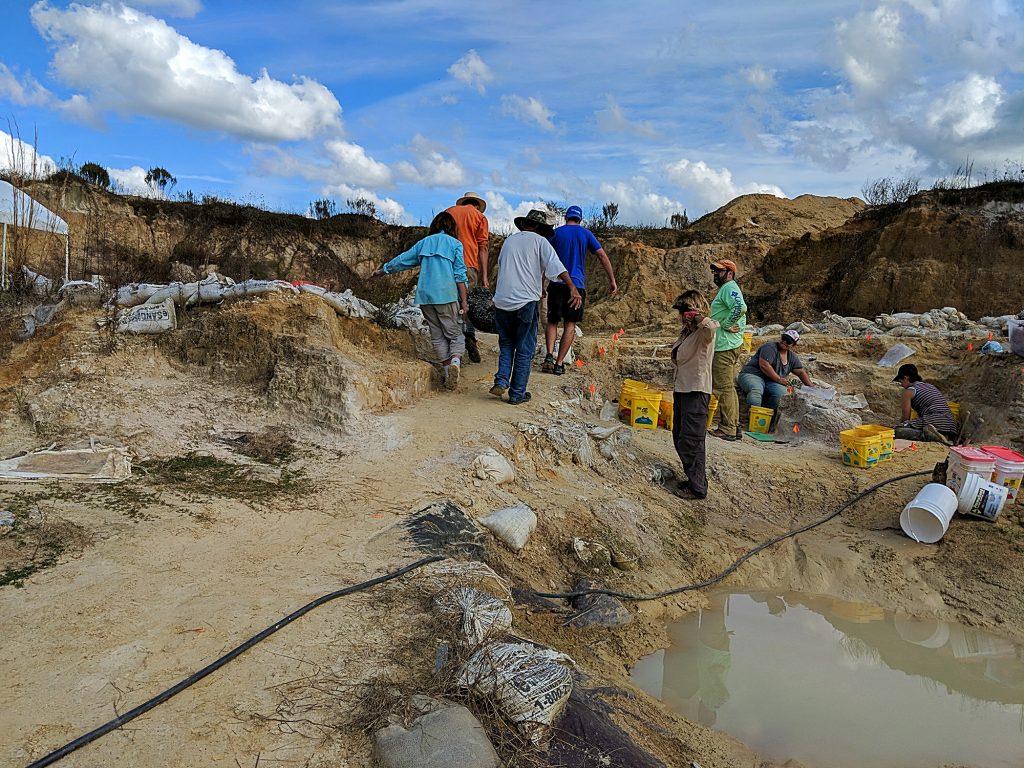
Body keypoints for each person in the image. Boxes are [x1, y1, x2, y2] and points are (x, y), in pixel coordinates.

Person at [490, 209, 581, 405]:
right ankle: (517, 393)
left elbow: (504, 268)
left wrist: (540, 287)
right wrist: (572, 288)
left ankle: (501, 380)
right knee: (524, 348)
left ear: (525, 225)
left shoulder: (509, 242)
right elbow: (557, 268)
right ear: (540, 228)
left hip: (502, 301)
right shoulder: (541, 242)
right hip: (525, 302)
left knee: (506, 343)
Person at [371, 211, 468, 390]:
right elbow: (460, 275)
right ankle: (455, 362)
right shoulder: (455, 244)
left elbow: (402, 260)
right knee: (454, 333)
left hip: (425, 296)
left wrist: (382, 270)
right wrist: (464, 300)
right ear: (452, 227)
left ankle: (447, 372)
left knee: (437, 334)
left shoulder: (423, 243)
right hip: (446, 295)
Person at [541, 204, 618, 375]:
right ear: (580, 219)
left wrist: (542, 283)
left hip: (556, 282)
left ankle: (548, 355)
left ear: (566, 217)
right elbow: (601, 255)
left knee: (552, 321)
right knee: (570, 324)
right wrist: (612, 280)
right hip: (576, 285)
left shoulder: (557, 233)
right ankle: (559, 363)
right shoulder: (586, 234)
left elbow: (545, 259)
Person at [669, 290, 718, 500]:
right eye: (682, 312)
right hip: (682, 389)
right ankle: (693, 479)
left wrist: (698, 316)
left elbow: (712, 327)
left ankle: (698, 487)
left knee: (692, 440)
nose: (684, 316)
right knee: (680, 436)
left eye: (687, 311)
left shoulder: (702, 331)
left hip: (696, 390)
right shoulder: (686, 333)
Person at [445, 192, 489, 364]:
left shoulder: (448, 212)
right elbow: (483, 248)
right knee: (467, 304)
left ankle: (450, 342)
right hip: (468, 264)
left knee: (450, 303)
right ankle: (469, 336)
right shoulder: (479, 217)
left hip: (446, 264)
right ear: (477, 205)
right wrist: (484, 276)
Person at [737, 329, 813, 425]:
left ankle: (766, 419)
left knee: (781, 394)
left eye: (788, 341)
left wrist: (812, 388)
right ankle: (751, 420)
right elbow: (764, 365)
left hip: (771, 381)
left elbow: (801, 372)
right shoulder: (770, 347)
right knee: (756, 389)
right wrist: (778, 379)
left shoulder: (792, 357)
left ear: (793, 345)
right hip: (752, 374)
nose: (784, 341)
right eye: (784, 338)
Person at [707, 259, 747, 441]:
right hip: (728, 344)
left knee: (723, 388)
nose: (715, 274)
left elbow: (740, 307)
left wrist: (726, 324)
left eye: (719, 271)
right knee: (728, 388)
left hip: (725, 346)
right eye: (715, 270)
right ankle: (734, 425)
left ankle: (728, 428)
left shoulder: (730, 287)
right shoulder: (728, 289)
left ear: (729, 273)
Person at [892, 363, 958, 444]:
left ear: (906, 378)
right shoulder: (930, 386)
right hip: (951, 426)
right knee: (919, 424)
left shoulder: (909, 392)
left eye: (900, 381)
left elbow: (905, 418)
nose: (901, 385)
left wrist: (899, 427)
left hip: (933, 421)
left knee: (896, 432)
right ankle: (943, 436)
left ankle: (933, 437)